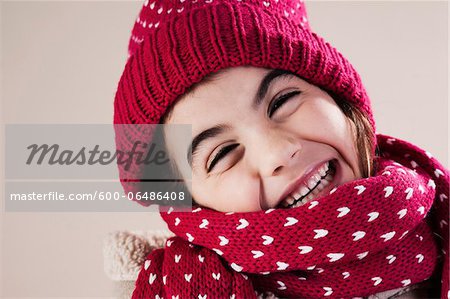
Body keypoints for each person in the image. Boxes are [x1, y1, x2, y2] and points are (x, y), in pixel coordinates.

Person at [113, 0, 449, 298]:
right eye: (222, 154)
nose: (278, 151)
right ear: (190, 203)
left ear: (340, 100)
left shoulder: (440, 224)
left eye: (284, 101)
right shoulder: (164, 288)